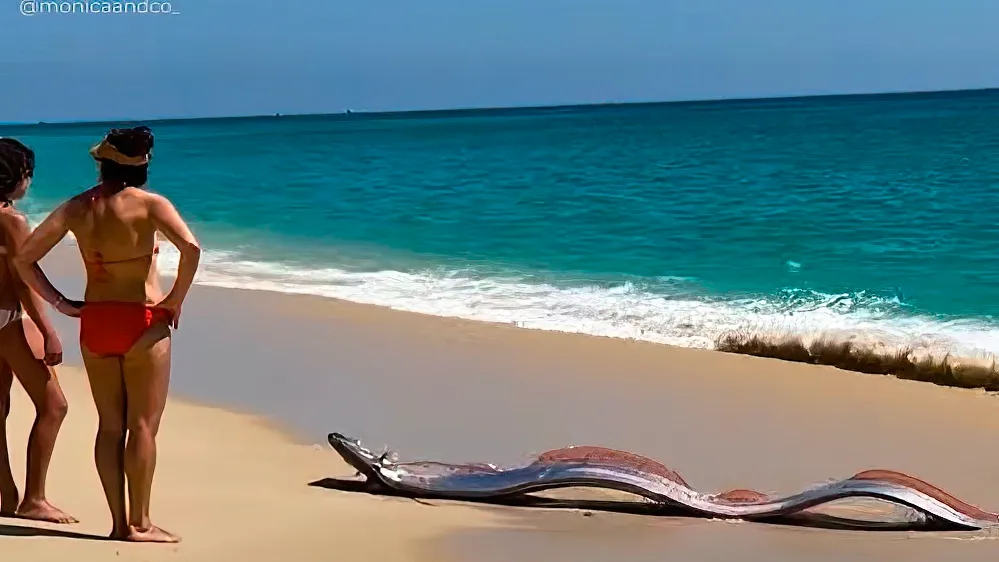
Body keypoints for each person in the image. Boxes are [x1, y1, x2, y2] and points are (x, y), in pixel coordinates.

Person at [14, 126, 201, 543]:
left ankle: (118, 524)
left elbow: (25, 259)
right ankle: (142, 523)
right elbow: (191, 249)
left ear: (102, 163)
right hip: (142, 319)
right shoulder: (152, 205)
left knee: (110, 427)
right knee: (143, 426)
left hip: (96, 320)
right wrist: (174, 299)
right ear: (143, 165)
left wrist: (62, 304)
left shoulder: (77, 207)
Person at [0, 138, 75, 524]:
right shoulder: (11, 220)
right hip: (4, 320)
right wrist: (49, 329)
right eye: (27, 174)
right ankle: (34, 498)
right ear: (15, 176)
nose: (29, 182)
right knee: (54, 406)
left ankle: (5, 492)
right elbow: (23, 280)